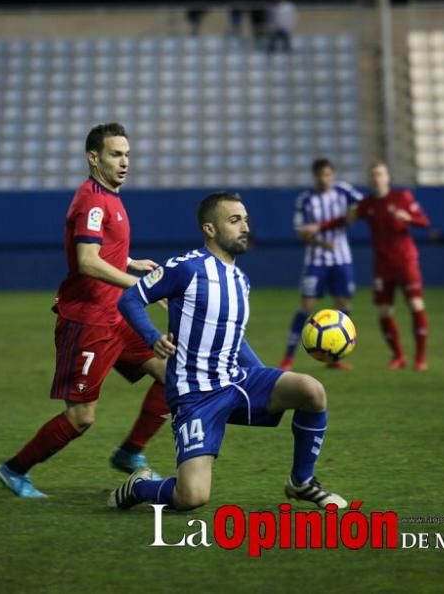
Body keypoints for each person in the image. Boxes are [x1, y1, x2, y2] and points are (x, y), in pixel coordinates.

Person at [110, 192, 348, 512]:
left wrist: (267, 378)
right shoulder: (186, 267)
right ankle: (140, 486)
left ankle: (301, 482)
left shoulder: (241, 280)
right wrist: (153, 336)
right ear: (210, 229)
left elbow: (234, 338)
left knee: (311, 391)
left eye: (246, 220)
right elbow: (130, 299)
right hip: (195, 396)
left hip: (236, 382)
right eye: (234, 221)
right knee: (191, 497)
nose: (244, 227)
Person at [0, 123, 171, 498]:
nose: (124, 162)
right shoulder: (92, 201)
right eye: (114, 154)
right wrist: (140, 287)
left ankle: (130, 452)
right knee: (81, 417)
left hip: (115, 317)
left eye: (126, 154)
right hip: (88, 322)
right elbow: (87, 261)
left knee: (171, 376)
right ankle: (14, 469)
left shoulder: (110, 197)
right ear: (93, 158)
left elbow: (102, 251)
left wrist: (130, 261)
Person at [278, 158, 362, 372]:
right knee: (306, 306)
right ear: (315, 176)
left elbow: (362, 206)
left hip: (342, 259)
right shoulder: (305, 200)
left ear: (333, 175)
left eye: (328, 174)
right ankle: (288, 357)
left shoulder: (344, 191)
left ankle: (336, 358)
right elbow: (302, 234)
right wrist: (320, 242)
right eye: (320, 175)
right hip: (316, 261)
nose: (324, 179)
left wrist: (352, 214)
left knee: (343, 306)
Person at [350, 162, 432, 371]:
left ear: (387, 177)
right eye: (373, 175)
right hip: (382, 264)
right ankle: (398, 355)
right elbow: (343, 220)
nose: (377, 178)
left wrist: (409, 218)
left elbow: (424, 222)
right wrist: (320, 227)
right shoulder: (367, 204)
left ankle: (420, 358)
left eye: (380, 174)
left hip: (406, 261)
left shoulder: (402, 197)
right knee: (383, 311)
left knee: (415, 305)